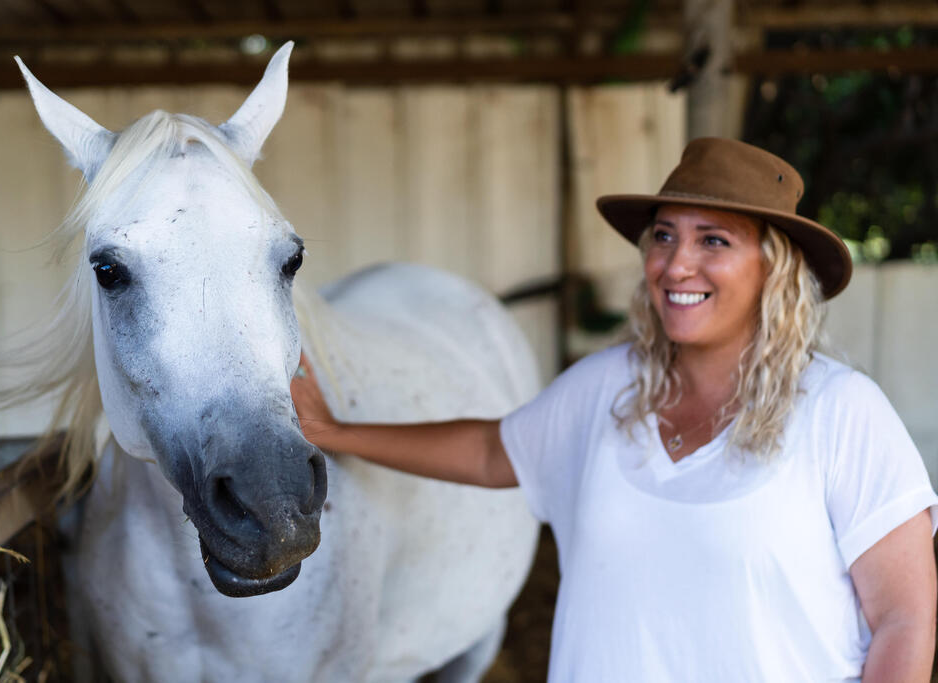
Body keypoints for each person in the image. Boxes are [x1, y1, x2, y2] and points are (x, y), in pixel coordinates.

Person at [290, 137, 938, 681]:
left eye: (713, 240)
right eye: (664, 235)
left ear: (774, 268)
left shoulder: (841, 411)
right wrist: (334, 430)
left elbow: (903, 619)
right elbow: (494, 450)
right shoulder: (603, 390)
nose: (677, 264)